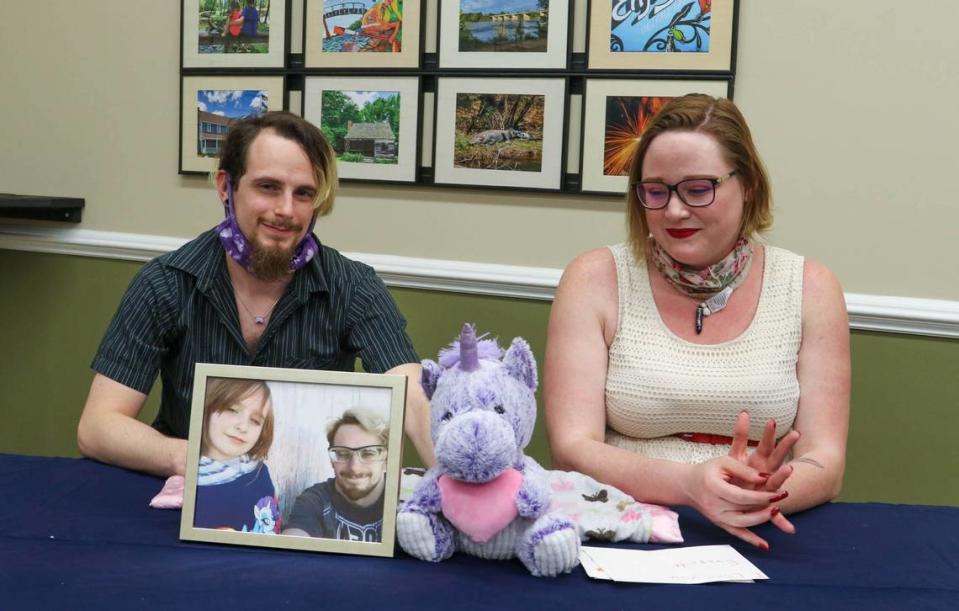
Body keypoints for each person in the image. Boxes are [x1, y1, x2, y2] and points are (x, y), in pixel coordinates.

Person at [544, 94, 850, 550]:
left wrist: (753, 497)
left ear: (746, 185)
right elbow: (572, 446)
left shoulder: (810, 287)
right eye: (656, 190)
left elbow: (825, 462)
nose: (673, 211)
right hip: (621, 528)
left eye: (698, 188)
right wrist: (689, 484)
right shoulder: (593, 279)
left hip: (759, 531)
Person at [77, 111, 434, 478]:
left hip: (304, 501)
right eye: (268, 187)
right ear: (225, 187)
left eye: (304, 194)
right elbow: (98, 427)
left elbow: (412, 399)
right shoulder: (165, 283)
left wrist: (458, 482)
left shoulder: (354, 287)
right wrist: (195, 460)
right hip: (183, 492)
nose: (286, 210)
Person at [282, 408, 389, 542]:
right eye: (343, 454)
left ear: (385, 459)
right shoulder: (314, 501)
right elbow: (292, 544)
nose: (354, 467)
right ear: (332, 460)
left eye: (368, 453)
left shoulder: (404, 501)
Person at [193, 378, 279, 532]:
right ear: (206, 406)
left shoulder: (259, 472)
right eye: (232, 410)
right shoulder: (187, 474)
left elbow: (272, 527)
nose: (243, 426)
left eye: (255, 420)